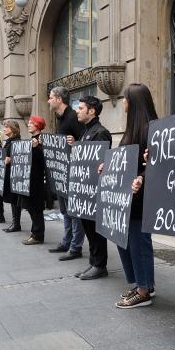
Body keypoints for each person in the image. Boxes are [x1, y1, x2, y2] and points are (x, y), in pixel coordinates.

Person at [111, 83, 158, 308]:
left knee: (139, 242)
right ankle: (142, 283)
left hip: (140, 196)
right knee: (127, 240)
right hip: (126, 196)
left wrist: (142, 177)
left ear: (134, 102)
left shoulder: (151, 129)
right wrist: (107, 167)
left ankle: (143, 290)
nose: (123, 103)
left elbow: (158, 163)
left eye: (126, 98)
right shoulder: (132, 129)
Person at [71, 95, 112, 280]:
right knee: (88, 227)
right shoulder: (86, 131)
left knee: (95, 229)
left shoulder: (100, 132)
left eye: (80, 108)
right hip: (84, 192)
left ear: (92, 111)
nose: (77, 111)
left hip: (94, 191)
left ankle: (100, 265)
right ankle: (93, 262)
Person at [45, 86, 86, 261]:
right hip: (61, 173)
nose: (48, 100)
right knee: (65, 210)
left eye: (51, 97)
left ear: (59, 99)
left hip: (72, 173)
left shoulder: (72, 117)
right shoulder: (60, 118)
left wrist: (76, 142)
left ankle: (76, 246)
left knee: (74, 211)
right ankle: (67, 241)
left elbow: (86, 142)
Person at [19, 115, 46, 245]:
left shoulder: (41, 140)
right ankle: (35, 233)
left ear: (38, 125)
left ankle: (37, 235)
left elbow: (43, 160)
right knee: (31, 208)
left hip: (36, 180)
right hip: (29, 179)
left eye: (31, 123)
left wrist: (36, 148)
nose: (29, 125)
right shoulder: (32, 139)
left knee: (35, 209)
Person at [2, 120, 22, 233]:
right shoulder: (9, 141)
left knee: (15, 199)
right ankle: (15, 222)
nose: (4, 129)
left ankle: (16, 223)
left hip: (14, 174)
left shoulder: (17, 141)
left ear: (13, 129)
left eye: (6, 127)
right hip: (9, 172)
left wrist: (11, 160)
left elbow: (21, 158)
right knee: (12, 199)